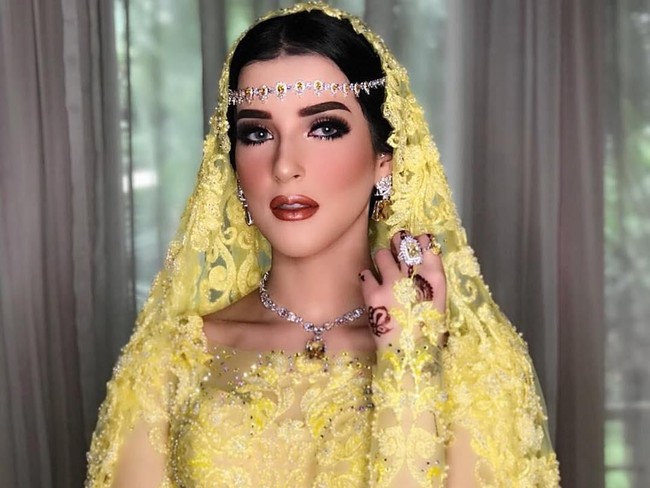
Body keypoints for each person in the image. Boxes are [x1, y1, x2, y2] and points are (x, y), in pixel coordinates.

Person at [86, 3, 560, 487]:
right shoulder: (173, 358)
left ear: (383, 160)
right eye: (257, 133)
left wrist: (410, 363)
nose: (284, 165)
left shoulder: (473, 367)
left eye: (324, 128)